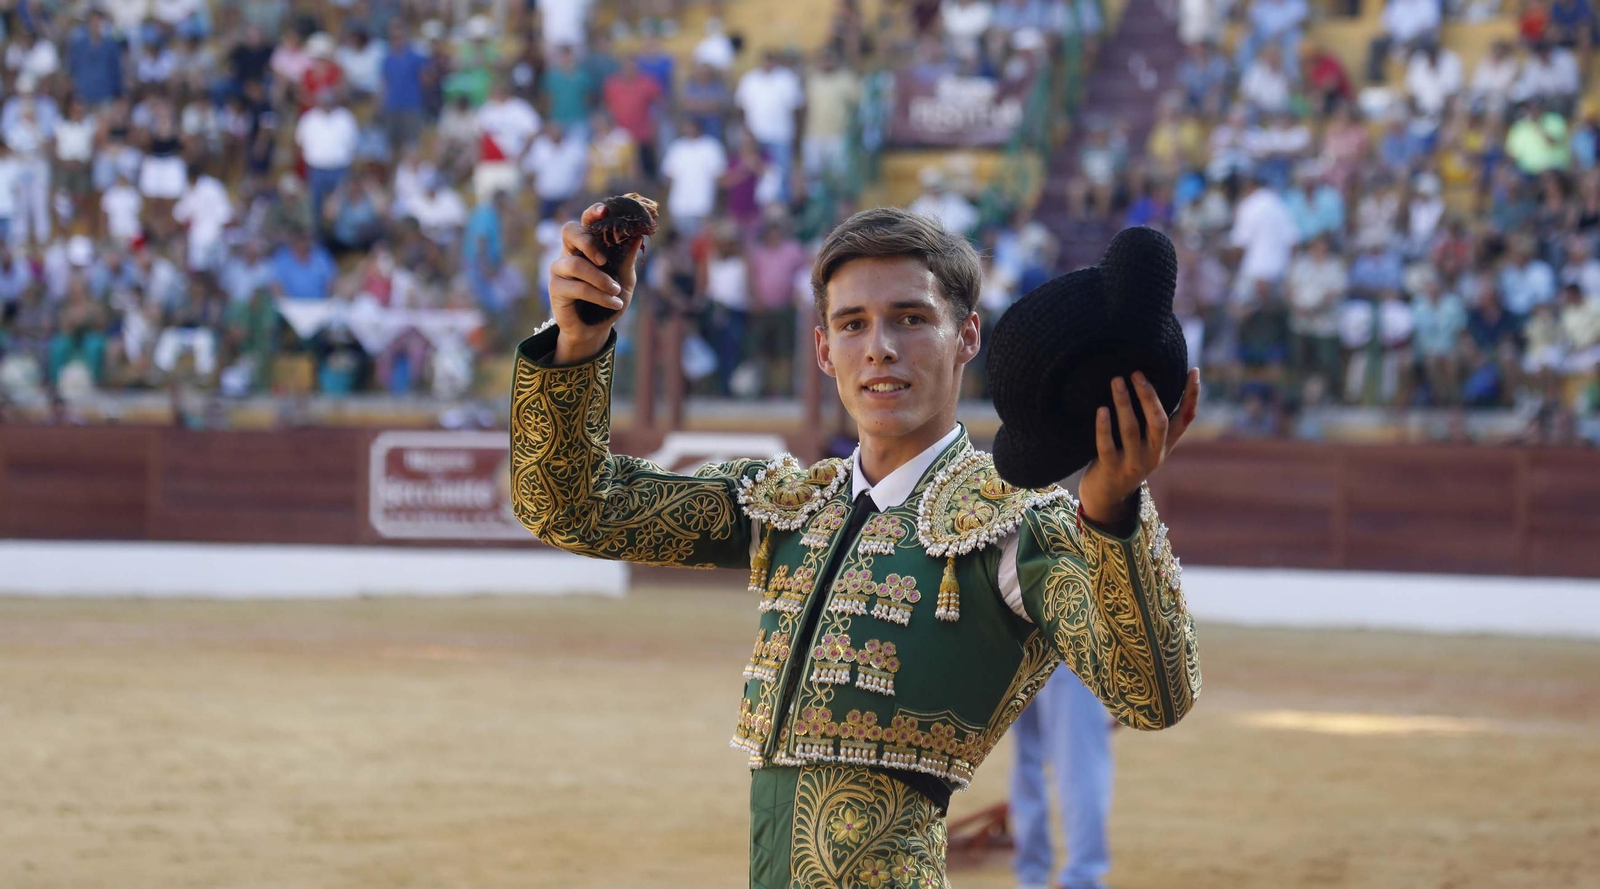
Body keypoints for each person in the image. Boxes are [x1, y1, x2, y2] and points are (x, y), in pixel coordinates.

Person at [513, 203, 1201, 887]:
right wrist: (580, 344)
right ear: (823, 349)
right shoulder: (786, 505)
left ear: (966, 336)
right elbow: (574, 506)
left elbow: (1152, 694)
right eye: (853, 324)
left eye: (910, 317)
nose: (880, 348)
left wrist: (1110, 510)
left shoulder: (1013, 527)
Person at [1009, 670, 1115, 889]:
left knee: (1027, 756)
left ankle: (1032, 877)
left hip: (1013, 643)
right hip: (1069, 644)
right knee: (1080, 757)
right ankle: (1081, 879)